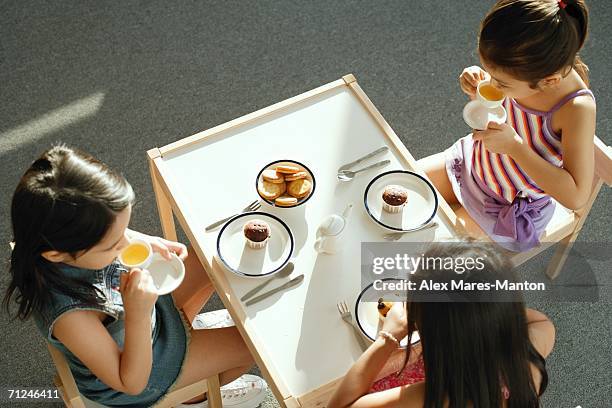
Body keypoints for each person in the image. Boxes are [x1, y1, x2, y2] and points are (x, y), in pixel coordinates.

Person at [3, 144, 267, 408]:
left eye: (124, 230)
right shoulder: (72, 318)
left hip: (138, 317)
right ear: (57, 254)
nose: (125, 243)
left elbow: (114, 233)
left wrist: (147, 240)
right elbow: (130, 382)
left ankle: (189, 334)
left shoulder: (55, 239)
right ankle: (195, 398)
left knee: (211, 260)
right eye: (113, 244)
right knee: (254, 347)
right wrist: (138, 314)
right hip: (138, 368)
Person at [418, 0, 596, 252]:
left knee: (429, 255)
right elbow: (505, 107)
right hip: (471, 165)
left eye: (500, 82)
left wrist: (516, 148)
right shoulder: (527, 69)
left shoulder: (576, 109)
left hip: (504, 206)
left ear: (549, 81)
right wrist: (479, 89)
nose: (493, 83)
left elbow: (576, 196)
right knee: (399, 181)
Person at [328, 242, 556, 407]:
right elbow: (542, 321)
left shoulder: (432, 398)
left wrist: (387, 337)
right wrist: (483, 309)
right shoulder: (528, 365)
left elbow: (339, 406)